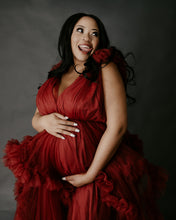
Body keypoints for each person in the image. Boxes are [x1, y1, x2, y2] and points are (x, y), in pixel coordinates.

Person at [3, 13, 168, 220]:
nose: (86, 38)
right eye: (80, 30)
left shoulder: (105, 68)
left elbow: (118, 126)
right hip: (51, 172)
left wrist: (90, 174)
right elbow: (37, 118)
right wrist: (43, 121)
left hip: (93, 171)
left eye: (94, 33)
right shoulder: (56, 73)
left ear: (99, 41)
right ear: (69, 35)